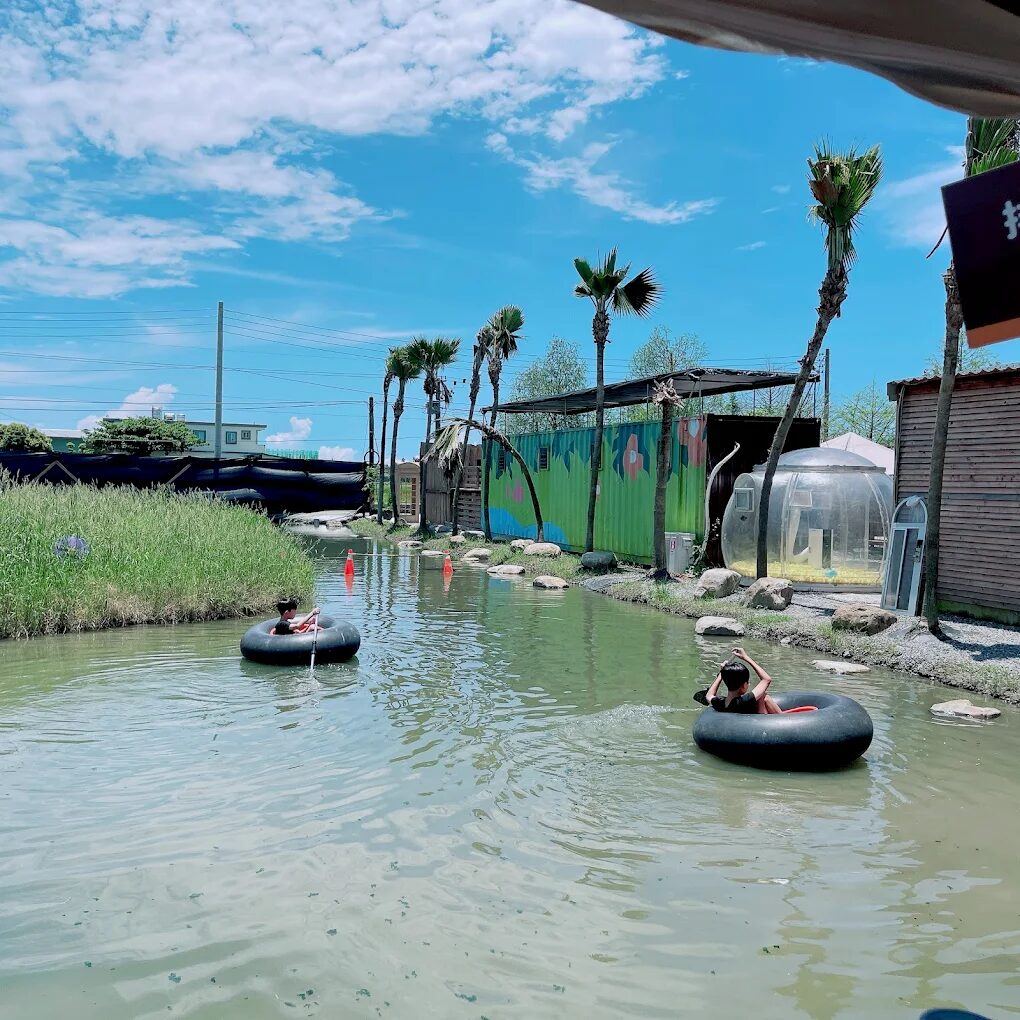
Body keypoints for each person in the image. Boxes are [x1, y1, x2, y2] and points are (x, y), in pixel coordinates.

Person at [705, 647, 781, 715]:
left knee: (761, 695)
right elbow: (766, 679)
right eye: (748, 682)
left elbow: (709, 695)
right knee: (764, 696)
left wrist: (722, 673)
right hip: (761, 725)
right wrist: (746, 657)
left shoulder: (720, 703)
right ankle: (785, 719)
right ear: (744, 685)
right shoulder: (744, 701)